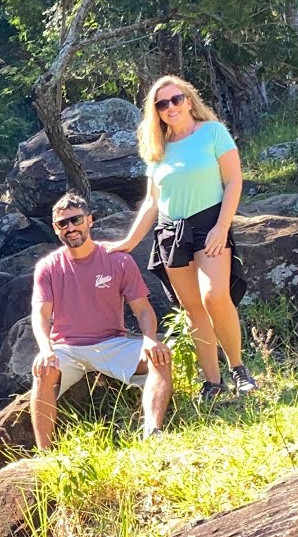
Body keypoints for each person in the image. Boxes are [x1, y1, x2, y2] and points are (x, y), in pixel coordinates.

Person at [100, 75, 257, 403]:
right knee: (193, 309)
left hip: (210, 225)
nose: (170, 107)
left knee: (214, 297)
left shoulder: (213, 132)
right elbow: (151, 202)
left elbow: (233, 182)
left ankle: (239, 369)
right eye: (161, 104)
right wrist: (128, 242)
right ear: (155, 112)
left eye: (175, 99)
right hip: (172, 232)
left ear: (188, 99)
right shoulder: (157, 149)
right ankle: (213, 383)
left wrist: (221, 226)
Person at [31, 193, 173, 450]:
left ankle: (153, 433)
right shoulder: (48, 266)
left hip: (112, 344)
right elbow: (40, 314)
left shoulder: (118, 260)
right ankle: (44, 454)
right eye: (63, 223)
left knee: (160, 356)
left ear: (90, 220)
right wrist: (45, 350)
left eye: (76, 220)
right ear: (55, 228)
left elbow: (142, 309)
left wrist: (151, 339)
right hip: (66, 349)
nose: (70, 227)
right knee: (42, 370)